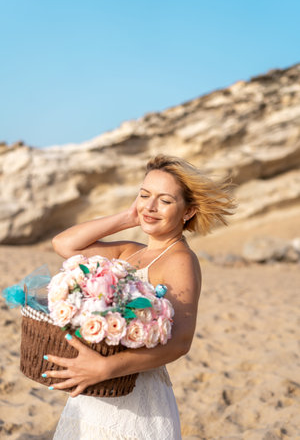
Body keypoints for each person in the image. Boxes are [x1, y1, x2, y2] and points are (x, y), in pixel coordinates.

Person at [46, 154, 236, 439]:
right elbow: (64, 244)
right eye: (145, 195)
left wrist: (105, 367)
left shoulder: (180, 260)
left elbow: (181, 343)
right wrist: (127, 217)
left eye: (165, 200)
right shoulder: (128, 251)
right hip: (97, 385)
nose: (150, 206)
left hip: (134, 395)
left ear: (188, 212)